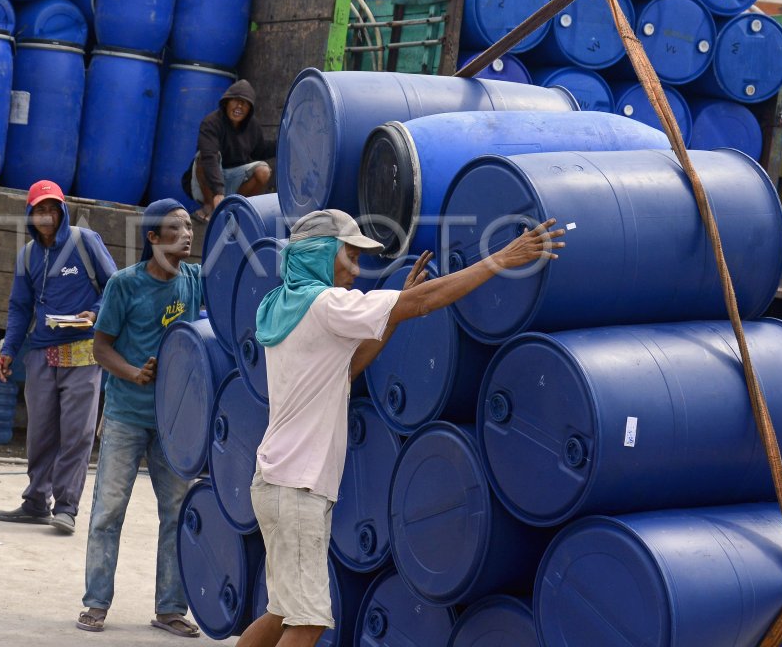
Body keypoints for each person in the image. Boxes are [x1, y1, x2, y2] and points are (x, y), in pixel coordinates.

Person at [236, 210, 565, 647]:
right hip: (298, 488)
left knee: (282, 612)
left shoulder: (284, 305)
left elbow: (346, 369)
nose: (355, 269)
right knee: (309, 620)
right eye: (349, 256)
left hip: (274, 481)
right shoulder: (326, 304)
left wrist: (392, 314)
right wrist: (503, 258)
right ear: (321, 254)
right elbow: (426, 302)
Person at [76, 199, 202, 638]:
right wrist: (133, 373)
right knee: (109, 511)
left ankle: (169, 608)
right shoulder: (124, 285)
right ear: (152, 239)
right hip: (127, 415)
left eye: (189, 226)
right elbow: (100, 347)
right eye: (176, 228)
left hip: (174, 423)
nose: (187, 234)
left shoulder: (194, 280)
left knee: (177, 513)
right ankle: (95, 603)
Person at [0, 179, 116, 535]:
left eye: (52, 209)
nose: (46, 216)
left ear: (62, 212)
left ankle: (66, 507)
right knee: (41, 432)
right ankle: (35, 502)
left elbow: (114, 285)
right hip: (41, 354)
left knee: (77, 434)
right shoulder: (27, 255)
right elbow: (19, 308)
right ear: (29, 216)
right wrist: (7, 350)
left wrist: (94, 313)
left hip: (82, 352)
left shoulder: (84, 241)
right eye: (39, 210)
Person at [181, 79, 275, 224]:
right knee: (202, 157)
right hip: (209, 181)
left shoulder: (252, 126)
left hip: (234, 179)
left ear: (250, 109)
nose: (239, 106)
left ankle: (234, 209)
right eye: (236, 101)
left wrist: (285, 143)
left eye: (245, 103)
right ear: (226, 102)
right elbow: (210, 158)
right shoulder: (211, 123)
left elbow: (260, 151)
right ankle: (209, 208)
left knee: (263, 171)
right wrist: (218, 193)